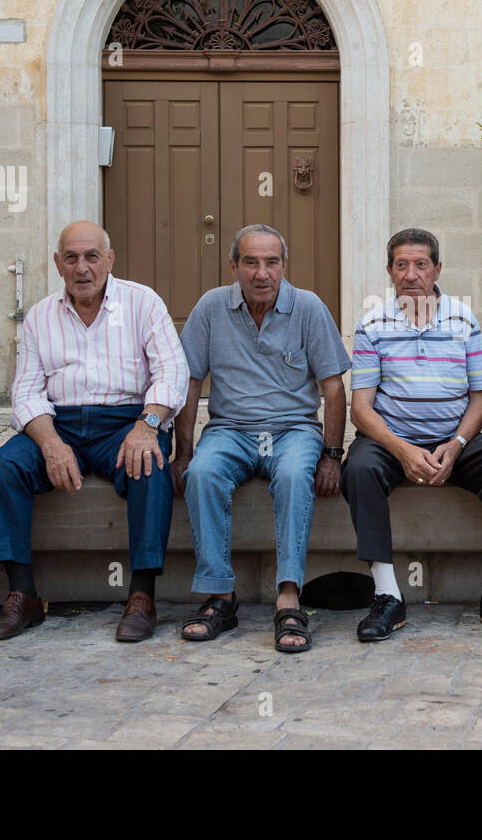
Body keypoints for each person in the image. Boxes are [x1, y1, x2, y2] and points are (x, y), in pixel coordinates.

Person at [0, 222, 187, 642]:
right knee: (2, 465)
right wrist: (51, 443)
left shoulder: (142, 302)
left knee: (149, 465)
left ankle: (142, 595)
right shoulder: (40, 315)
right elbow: (24, 390)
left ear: (109, 260)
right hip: (61, 424)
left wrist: (147, 426)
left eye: (92, 256)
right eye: (71, 258)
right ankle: (23, 595)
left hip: (126, 421)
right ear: (58, 264)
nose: (82, 268)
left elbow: (172, 372)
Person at [342, 228, 482, 640]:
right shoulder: (373, 322)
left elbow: (480, 398)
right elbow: (361, 409)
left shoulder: (463, 319)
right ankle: (387, 596)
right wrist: (403, 450)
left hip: (454, 439)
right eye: (401, 265)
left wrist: (458, 444)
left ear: (437, 269)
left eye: (421, 264)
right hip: (390, 441)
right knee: (358, 469)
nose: (411, 275)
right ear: (390, 271)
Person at [172, 225, 350, 653]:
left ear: (284, 266)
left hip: (293, 430)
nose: (262, 272)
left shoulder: (308, 307)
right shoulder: (211, 307)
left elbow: (333, 387)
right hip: (230, 430)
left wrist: (332, 454)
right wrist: (184, 452)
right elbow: (190, 382)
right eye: (250, 262)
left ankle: (288, 596)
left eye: (271, 262)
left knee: (292, 476)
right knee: (202, 474)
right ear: (234, 266)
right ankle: (220, 596)